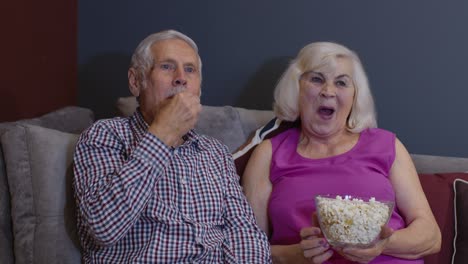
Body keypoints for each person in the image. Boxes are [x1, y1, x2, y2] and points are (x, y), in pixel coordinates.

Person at [73, 29, 271, 263]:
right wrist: (164, 133)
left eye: (190, 69)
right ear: (136, 82)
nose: (181, 78)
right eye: (167, 66)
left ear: (199, 88)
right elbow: (102, 228)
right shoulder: (105, 136)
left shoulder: (214, 152)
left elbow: (245, 234)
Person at [241, 42, 441, 263]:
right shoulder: (269, 153)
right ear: (296, 88)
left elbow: (431, 236)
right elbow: (248, 249)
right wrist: (294, 255)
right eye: (317, 79)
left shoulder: (386, 145)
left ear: (355, 96)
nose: (328, 91)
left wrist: (381, 243)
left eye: (341, 82)